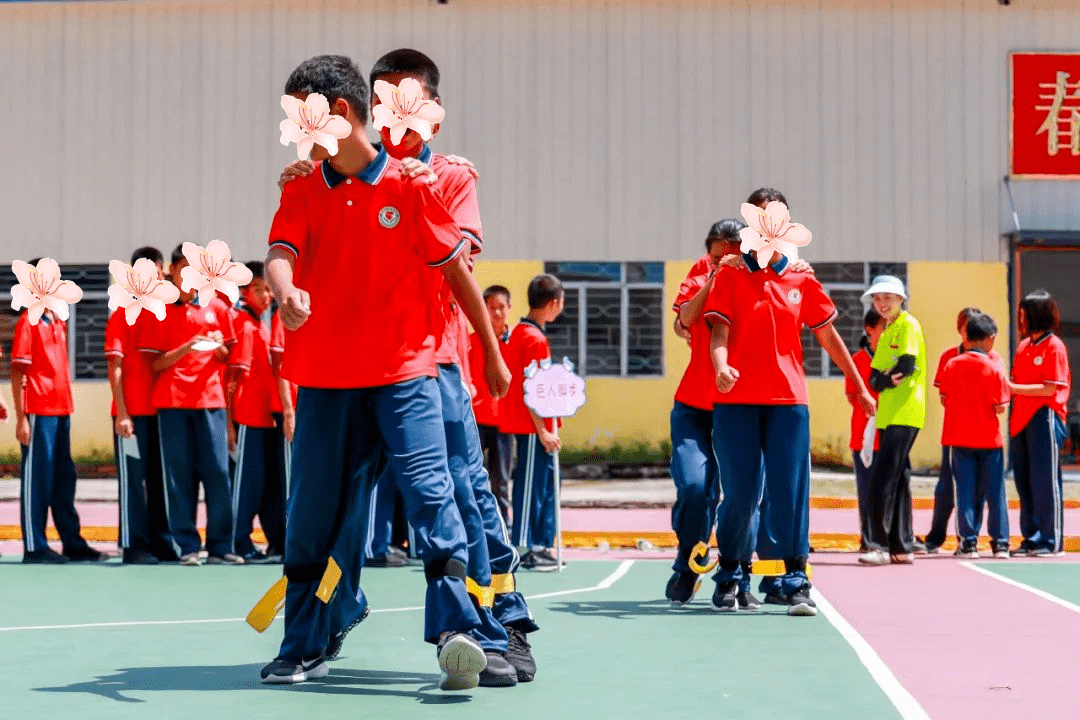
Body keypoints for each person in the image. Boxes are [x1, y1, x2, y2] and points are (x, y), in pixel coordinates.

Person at [274, 49, 536, 686]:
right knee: (325, 506)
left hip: (426, 364)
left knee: (455, 497)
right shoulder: (308, 185)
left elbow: (457, 267)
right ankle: (321, 622)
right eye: (384, 97)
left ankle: (492, 627)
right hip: (336, 372)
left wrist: (491, 356)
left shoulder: (436, 178)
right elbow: (285, 246)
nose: (393, 112)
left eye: (408, 101)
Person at [705, 206, 875, 616]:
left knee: (791, 493)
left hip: (788, 402)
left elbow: (828, 335)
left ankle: (796, 580)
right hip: (737, 403)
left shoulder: (801, 278)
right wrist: (721, 367)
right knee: (741, 495)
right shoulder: (729, 276)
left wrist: (859, 384)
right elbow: (719, 334)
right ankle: (730, 574)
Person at [137, 244, 241, 567]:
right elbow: (155, 364)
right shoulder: (160, 310)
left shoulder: (218, 307)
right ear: (173, 269)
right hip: (173, 402)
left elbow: (229, 356)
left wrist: (219, 350)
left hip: (211, 400)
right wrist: (189, 346)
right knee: (178, 477)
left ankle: (222, 545)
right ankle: (186, 545)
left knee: (218, 473)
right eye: (184, 267)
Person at [13, 259, 104, 564]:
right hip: (38, 411)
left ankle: (72, 542)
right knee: (37, 480)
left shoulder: (58, 319)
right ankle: (35, 547)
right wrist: (22, 418)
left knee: (65, 479)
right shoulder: (29, 320)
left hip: (62, 410)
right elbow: (18, 372)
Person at [104, 246, 174, 564]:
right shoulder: (122, 313)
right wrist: (122, 413)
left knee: (159, 482)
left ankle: (161, 541)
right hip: (131, 415)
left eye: (160, 274)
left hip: (160, 413)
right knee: (134, 482)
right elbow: (115, 366)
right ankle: (134, 545)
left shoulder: (162, 314)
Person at [858, 276, 927, 566]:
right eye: (877, 298)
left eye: (888, 297)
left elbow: (906, 367)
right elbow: (875, 379)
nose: (882, 303)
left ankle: (878, 545)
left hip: (906, 411)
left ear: (901, 299)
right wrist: (888, 377)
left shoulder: (908, 325)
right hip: (888, 415)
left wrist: (887, 377)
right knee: (898, 479)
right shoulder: (886, 332)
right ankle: (901, 546)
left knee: (883, 479)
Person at [502, 274, 565, 570]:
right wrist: (542, 430)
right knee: (530, 486)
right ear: (554, 303)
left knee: (542, 485)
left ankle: (539, 544)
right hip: (531, 427)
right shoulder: (533, 338)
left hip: (535, 426)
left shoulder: (521, 332)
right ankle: (527, 546)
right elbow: (532, 387)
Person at [227, 261, 287, 564]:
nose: (267, 296)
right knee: (246, 486)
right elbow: (232, 380)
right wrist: (229, 425)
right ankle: (237, 541)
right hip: (247, 417)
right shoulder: (242, 323)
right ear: (244, 292)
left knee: (264, 486)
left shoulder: (258, 325)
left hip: (265, 418)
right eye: (259, 290)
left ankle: (274, 540)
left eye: (268, 290)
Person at [938, 312, 1010, 559]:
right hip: (989, 439)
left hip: (959, 438)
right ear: (990, 339)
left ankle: (968, 543)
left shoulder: (952, 363)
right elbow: (1000, 406)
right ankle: (1000, 543)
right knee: (996, 492)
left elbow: (944, 398)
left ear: (966, 337)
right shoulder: (995, 366)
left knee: (964, 492)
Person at [1008, 290, 1071, 557]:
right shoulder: (1023, 346)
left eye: (1024, 313)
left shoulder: (1053, 346)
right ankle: (1031, 537)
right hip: (1020, 419)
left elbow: (1049, 389)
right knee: (1025, 482)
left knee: (1046, 481)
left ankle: (1051, 540)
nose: (1020, 318)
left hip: (1044, 417)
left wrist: (1013, 388)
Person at [921, 307, 982, 554]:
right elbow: (944, 397)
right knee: (946, 487)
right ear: (960, 329)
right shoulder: (949, 356)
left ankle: (967, 538)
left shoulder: (989, 356)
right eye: (968, 326)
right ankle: (935, 537)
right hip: (955, 431)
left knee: (975, 488)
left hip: (980, 433)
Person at [471, 285, 514, 526]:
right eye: (491, 308)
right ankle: (477, 526)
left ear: (509, 308)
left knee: (501, 481)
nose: (497, 313)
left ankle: (504, 528)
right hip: (475, 420)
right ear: (484, 309)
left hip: (505, 423)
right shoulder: (472, 341)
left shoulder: (516, 342)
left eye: (501, 308)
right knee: (474, 477)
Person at [846, 308, 885, 552]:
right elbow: (852, 395)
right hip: (864, 436)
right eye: (883, 327)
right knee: (867, 491)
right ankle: (868, 539)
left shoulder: (893, 359)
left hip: (889, 434)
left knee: (887, 492)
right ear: (869, 330)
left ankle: (884, 538)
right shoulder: (857, 360)